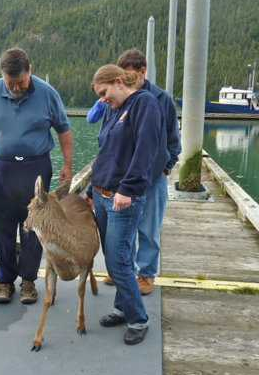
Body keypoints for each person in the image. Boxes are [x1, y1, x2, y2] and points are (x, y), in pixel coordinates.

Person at [0, 47, 73, 304]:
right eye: (11, 82)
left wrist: (68, 164)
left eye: (21, 82)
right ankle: (5, 281)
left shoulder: (48, 94)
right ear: (2, 75)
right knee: (1, 226)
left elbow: (64, 130)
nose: (16, 87)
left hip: (35, 169)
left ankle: (28, 281)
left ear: (30, 71)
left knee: (33, 226)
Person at [87, 49, 181, 295]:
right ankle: (123, 271)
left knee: (148, 229)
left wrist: (165, 167)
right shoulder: (115, 100)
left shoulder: (160, 99)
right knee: (122, 229)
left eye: (132, 76)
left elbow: (172, 140)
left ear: (143, 72)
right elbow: (106, 139)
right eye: (123, 76)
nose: (128, 81)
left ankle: (146, 275)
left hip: (151, 179)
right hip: (120, 178)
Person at [89, 64, 169, 345]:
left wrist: (128, 188)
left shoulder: (144, 104)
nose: (103, 99)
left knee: (119, 260)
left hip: (123, 198)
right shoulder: (113, 109)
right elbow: (106, 152)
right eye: (100, 95)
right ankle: (122, 309)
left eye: (105, 92)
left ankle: (139, 319)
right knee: (113, 260)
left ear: (120, 81)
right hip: (101, 193)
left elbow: (146, 150)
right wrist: (91, 188)